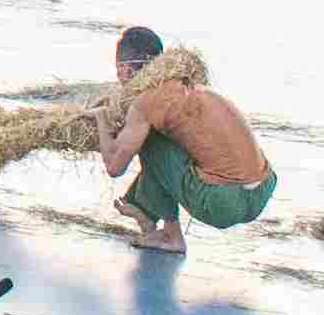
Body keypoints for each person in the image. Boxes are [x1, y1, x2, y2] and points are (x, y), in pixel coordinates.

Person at [90, 26, 276, 254]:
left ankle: (171, 236)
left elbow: (114, 167)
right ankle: (144, 212)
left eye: (119, 73)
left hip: (224, 203)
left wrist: (100, 117)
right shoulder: (190, 85)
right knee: (173, 139)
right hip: (262, 190)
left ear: (126, 70)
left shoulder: (146, 102)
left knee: (150, 138)